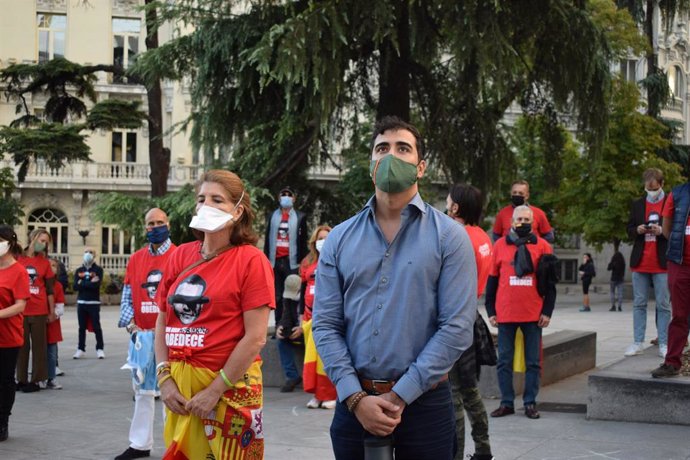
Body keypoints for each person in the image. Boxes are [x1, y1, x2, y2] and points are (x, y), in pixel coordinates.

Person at [313, 116, 477, 460]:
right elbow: (326, 324)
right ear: (372, 164)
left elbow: (457, 328)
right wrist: (356, 399)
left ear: (420, 167)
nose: (391, 156)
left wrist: (400, 395)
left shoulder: (449, 237)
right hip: (354, 404)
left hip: (425, 407)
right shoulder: (339, 238)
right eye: (381, 148)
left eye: (403, 148)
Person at [154, 169, 274, 460]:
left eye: (217, 200)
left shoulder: (251, 260)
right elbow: (162, 318)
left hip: (228, 391)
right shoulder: (180, 255)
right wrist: (164, 379)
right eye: (201, 198)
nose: (206, 205)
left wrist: (214, 391)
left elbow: (256, 337)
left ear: (237, 210)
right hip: (181, 393)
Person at [115, 208, 177, 460]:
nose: (155, 227)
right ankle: (139, 444)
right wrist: (131, 326)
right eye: (150, 223)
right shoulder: (137, 258)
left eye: (160, 222)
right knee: (142, 391)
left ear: (168, 224)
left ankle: (175, 446)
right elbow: (128, 294)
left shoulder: (179, 255)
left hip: (170, 335)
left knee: (172, 392)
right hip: (142, 335)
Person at [486, 205, 555, 420]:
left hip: (533, 314)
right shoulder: (499, 245)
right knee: (504, 361)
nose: (523, 222)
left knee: (533, 362)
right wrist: (490, 309)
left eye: (527, 219)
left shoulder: (543, 246)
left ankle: (530, 403)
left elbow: (551, 283)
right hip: (505, 313)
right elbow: (492, 280)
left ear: (533, 222)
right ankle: (506, 402)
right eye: (519, 218)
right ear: (511, 221)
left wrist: (547, 311)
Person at [446, 184, 494, 460]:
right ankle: (483, 449)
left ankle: (456, 454)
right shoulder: (482, 237)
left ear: (456, 207)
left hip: (454, 318)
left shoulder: (457, 235)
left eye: (450, 200)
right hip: (471, 315)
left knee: (453, 394)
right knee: (470, 390)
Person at [625, 168, 670, 358]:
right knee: (639, 304)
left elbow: (676, 230)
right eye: (647, 187)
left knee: (663, 304)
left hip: (662, 262)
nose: (650, 191)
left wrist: (662, 230)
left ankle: (664, 342)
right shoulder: (637, 204)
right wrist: (638, 229)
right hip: (640, 261)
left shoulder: (670, 202)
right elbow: (628, 229)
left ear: (661, 185)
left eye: (654, 188)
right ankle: (637, 342)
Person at [651, 178, 690, 378]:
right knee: (680, 315)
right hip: (680, 263)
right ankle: (672, 363)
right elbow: (666, 229)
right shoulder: (678, 193)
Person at [299, 225, 337, 409]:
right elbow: (301, 290)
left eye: (326, 238)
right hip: (308, 317)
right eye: (320, 238)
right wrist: (301, 316)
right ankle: (317, 394)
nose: (323, 242)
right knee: (312, 360)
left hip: (327, 318)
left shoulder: (337, 259)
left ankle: (330, 394)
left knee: (325, 358)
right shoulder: (308, 262)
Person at [0, 225, 30, 441]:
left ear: (9, 243)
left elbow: (20, 305)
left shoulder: (18, 271)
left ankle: (3, 421)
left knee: (4, 380)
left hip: (8, 336)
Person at [263, 186, 308, 330]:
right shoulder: (272, 216)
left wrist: (303, 262)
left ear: (294, 199)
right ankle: (278, 326)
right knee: (276, 296)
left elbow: (303, 241)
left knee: (292, 295)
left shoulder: (300, 217)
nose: (286, 197)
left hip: (292, 262)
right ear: (279, 198)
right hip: (275, 262)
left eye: (289, 195)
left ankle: (292, 325)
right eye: (283, 194)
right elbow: (267, 240)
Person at [16, 228, 55, 393]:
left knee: (39, 347)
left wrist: (51, 312)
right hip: (21, 310)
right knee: (21, 346)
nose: (44, 244)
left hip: (39, 310)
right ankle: (22, 379)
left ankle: (37, 380)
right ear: (32, 238)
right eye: (42, 240)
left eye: (46, 242)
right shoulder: (18, 259)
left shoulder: (45, 263)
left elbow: (50, 290)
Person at [73, 248, 105, 359]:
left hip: (94, 302)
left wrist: (82, 282)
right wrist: (89, 282)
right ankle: (80, 349)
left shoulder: (98, 270)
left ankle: (100, 349)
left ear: (95, 255)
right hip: (81, 302)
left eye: (91, 252)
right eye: (86, 252)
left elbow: (96, 285)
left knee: (96, 326)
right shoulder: (79, 270)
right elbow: (75, 286)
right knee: (81, 327)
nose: (88, 254)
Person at [275, 273, 304, 392]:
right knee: (281, 341)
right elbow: (286, 316)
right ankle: (292, 376)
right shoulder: (287, 299)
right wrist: (281, 327)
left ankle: (313, 379)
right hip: (295, 331)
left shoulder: (309, 297)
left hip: (308, 331)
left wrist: (302, 328)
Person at [45, 257, 65, 390]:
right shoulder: (39, 284)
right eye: (49, 265)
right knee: (38, 353)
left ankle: (51, 378)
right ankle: (38, 377)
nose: (52, 268)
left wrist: (53, 315)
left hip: (52, 324)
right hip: (37, 323)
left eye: (54, 266)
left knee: (52, 353)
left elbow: (60, 307)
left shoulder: (57, 286)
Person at [607, 244, 626, 312]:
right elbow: (623, 271)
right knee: (620, 293)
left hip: (613, 279)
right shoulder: (623, 263)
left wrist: (612, 263)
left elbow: (608, 268)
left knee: (612, 292)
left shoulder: (613, 262)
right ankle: (620, 306)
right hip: (620, 279)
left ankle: (613, 306)